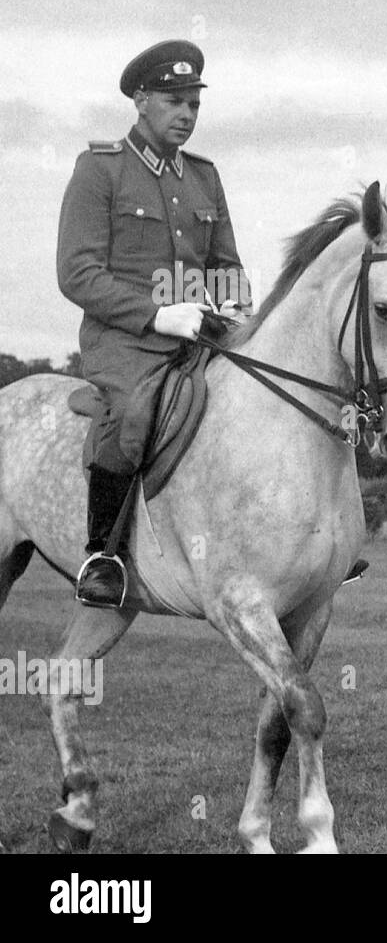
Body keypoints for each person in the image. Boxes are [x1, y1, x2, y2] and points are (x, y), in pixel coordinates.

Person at [56, 39, 251, 607]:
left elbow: (225, 266)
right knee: (135, 410)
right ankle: (103, 554)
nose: (186, 114)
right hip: (124, 341)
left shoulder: (205, 178)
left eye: (194, 103)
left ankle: (294, 547)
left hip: (198, 334)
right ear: (141, 101)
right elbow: (76, 272)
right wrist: (156, 314)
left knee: (267, 390)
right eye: (174, 101)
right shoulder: (101, 169)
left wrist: (235, 307)